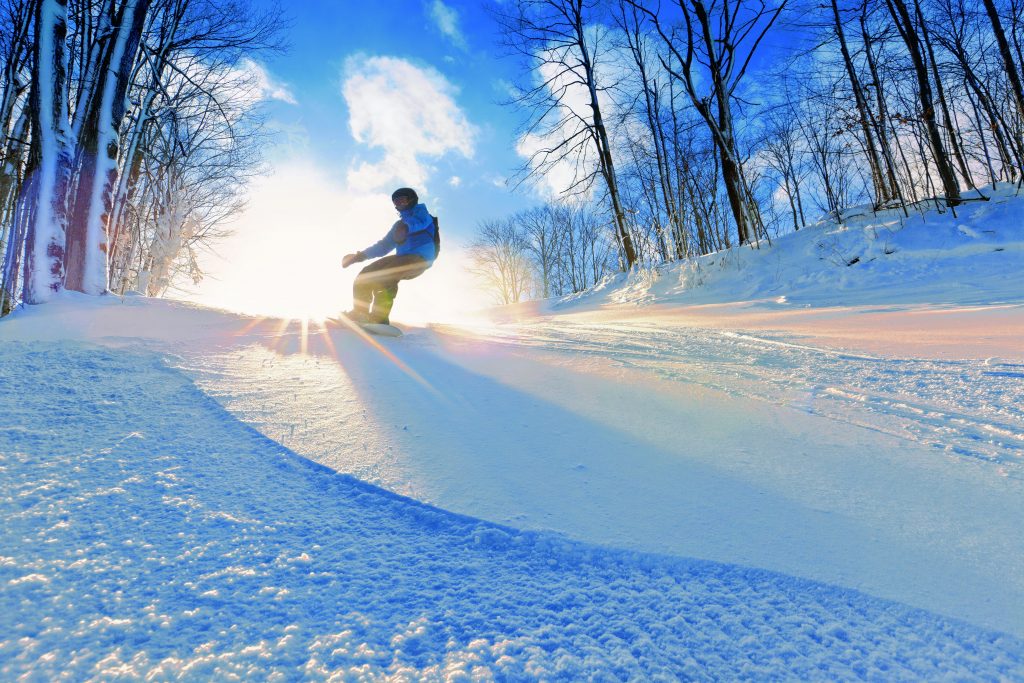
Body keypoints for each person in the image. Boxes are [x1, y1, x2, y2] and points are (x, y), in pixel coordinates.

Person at [341, 187, 438, 325]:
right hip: (402, 258)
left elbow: (419, 223)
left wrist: (406, 227)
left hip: (420, 259)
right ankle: (359, 313)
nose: (399, 205)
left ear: (411, 200)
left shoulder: (423, 215)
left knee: (387, 275)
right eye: (396, 202)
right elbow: (383, 246)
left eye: (402, 200)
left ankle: (379, 318)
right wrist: (359, 256)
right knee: (365, 274)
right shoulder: (398, 225)